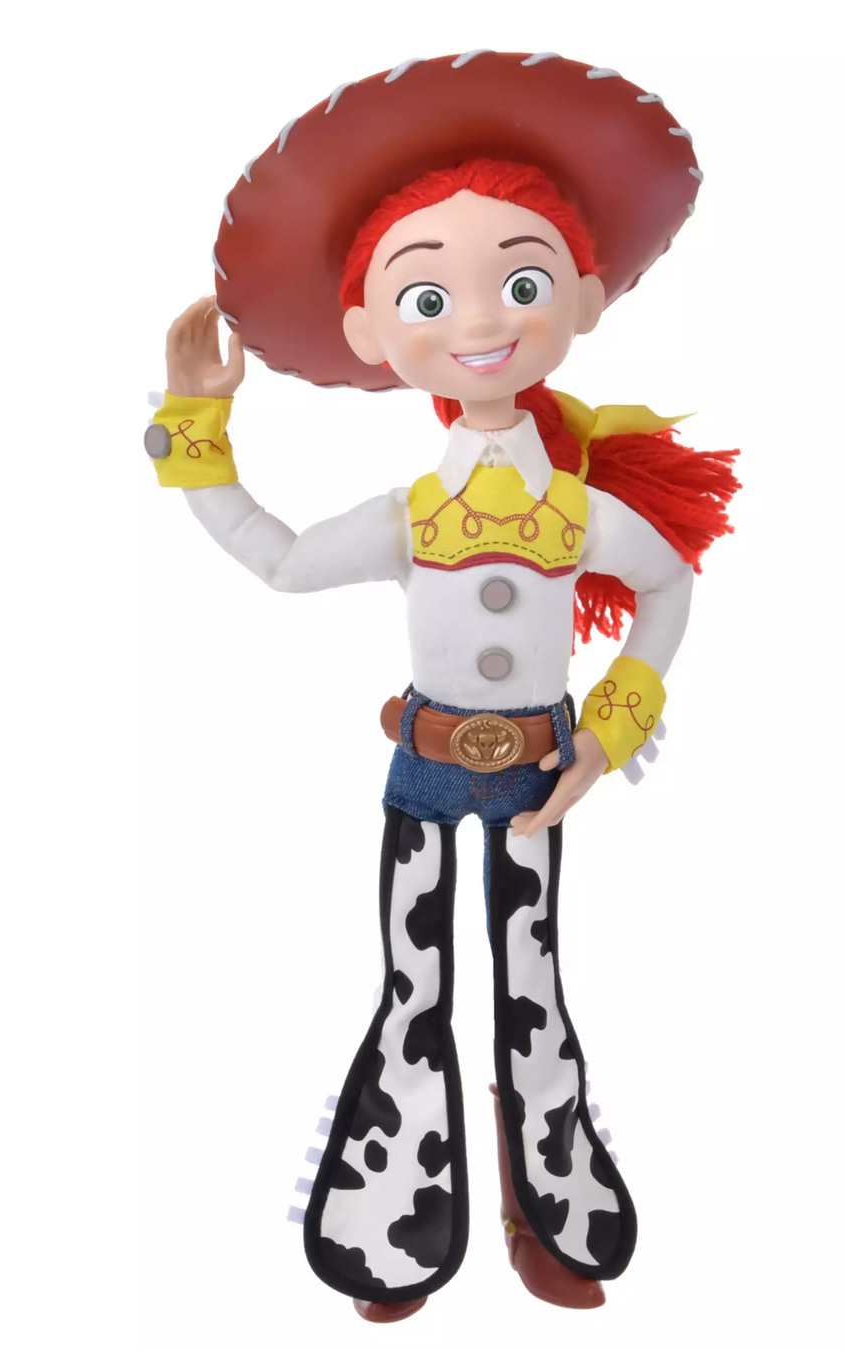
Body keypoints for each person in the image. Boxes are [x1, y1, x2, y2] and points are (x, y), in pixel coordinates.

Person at [143, 51, 739, 1321]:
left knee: (534, 978)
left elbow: (671, 587)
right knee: (414, 978)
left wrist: (611, 728)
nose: (478, 323)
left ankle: (545, 1199)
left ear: (582, 297)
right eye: (429, 294)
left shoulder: (575, 512)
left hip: (539, 772)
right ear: (373, 334)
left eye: (520, 283)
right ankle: (392, 1205)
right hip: (422, 769)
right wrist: (197, 429)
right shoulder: (411, 515)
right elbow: (281, 560)